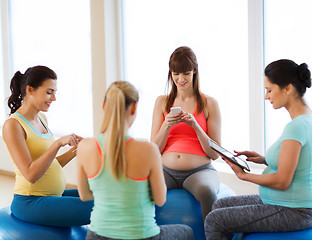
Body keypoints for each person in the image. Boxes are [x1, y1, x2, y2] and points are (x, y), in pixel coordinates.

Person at [204, 59, 312, 239]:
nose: (266, 96)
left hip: (296, 210)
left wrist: (244, 176)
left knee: (215, 220)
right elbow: (297, 161)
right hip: (285, 202)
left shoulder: (297, 127)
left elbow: (282, 180)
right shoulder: (308, 118)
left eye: (269, 90)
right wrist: (263, 159)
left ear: (288, 88)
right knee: (220, 205)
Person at [76, 81, 193, 240]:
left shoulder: (84, 147)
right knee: (186, 232)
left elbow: (84, 195)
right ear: (134, 108)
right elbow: (160, 200)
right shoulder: (148, 150)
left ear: (104, 106)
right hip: (141, 236)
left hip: (97, 235)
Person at [2, 66, 93, 227]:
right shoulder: (13, 125)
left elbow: (49, 163)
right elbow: (30, 174)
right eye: (49, 92)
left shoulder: (41, 118)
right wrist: (58, 143)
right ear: (30, 90)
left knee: (103, 193)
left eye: (55, 93)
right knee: (103, 206)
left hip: (52, 195)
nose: (54, 98)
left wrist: (77, 150)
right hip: (30, 202)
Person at [151, 46, 222, 220]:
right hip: (165, 171)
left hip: (199, 172)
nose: (180, 79)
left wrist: (195, 126)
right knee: (144, 189)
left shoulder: (209, 103)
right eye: (176, 73)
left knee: (206, 192)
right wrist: (166, 125)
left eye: (186, 73)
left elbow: (214, 154)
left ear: (194, 71)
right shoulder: (162, 102)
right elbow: (154, 149)